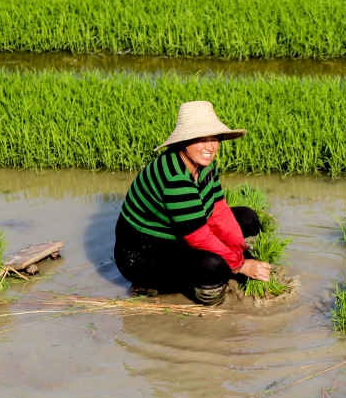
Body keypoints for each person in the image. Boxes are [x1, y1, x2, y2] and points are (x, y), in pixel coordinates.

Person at [114, 101, 271, 306]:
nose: (210, 146)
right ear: (185, 141)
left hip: (177, 234)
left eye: (214, 138)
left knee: (247, 219)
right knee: (213, 266)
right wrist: (241, 266)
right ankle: (207, 303)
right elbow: (198, 237)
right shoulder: (174, 177)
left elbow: (219, 212)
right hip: (142, 254)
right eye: (201, 139)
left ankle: (223, 269)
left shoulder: (204, 166)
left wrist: (240, 251)